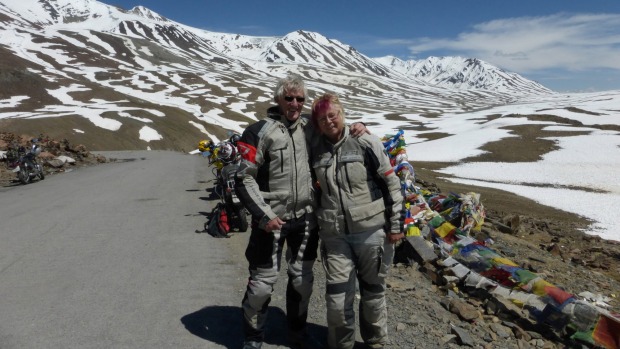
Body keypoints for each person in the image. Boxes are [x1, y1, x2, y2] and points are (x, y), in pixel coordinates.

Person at [234, 74, 366, 349]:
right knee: (261, 285)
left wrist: (358, 127)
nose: (295, 103)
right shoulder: (258, 131)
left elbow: (335, 130)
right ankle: (253, 336)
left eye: (300, 99)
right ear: (278, 99)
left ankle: (296, 332)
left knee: (303, 281)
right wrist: (264, 215)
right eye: (289, 98)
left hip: (305, 219)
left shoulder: (310, 127)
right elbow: (243, 177)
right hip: (271, 220)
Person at [309, 93, 405, 349]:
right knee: (337, 300)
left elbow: (392, 185)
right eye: (322, 118)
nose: (329, 121)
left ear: (342, 114)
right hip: (335, 235)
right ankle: (342, 345)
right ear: (316, 123)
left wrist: (396, 226)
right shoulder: (314, 148)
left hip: (371, 232)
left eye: (333, 115)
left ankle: (376, 343)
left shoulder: (365, 142)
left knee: (373, 294)